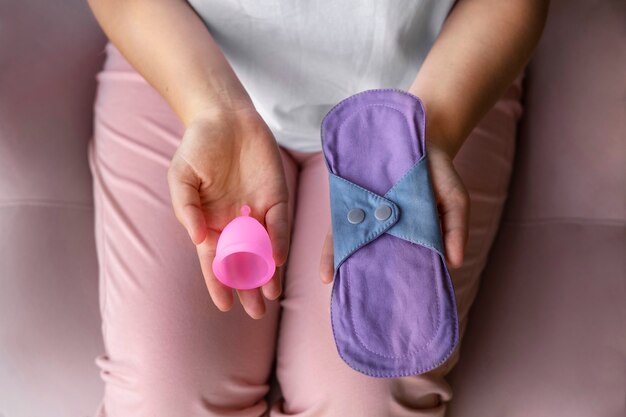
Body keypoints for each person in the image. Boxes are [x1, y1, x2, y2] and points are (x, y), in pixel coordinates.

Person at [86, 0, 548, 415]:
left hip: (434, 87)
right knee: (163, 398)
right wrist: (211, 108)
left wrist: (424, 135)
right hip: (185, 65)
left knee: (369, 394)